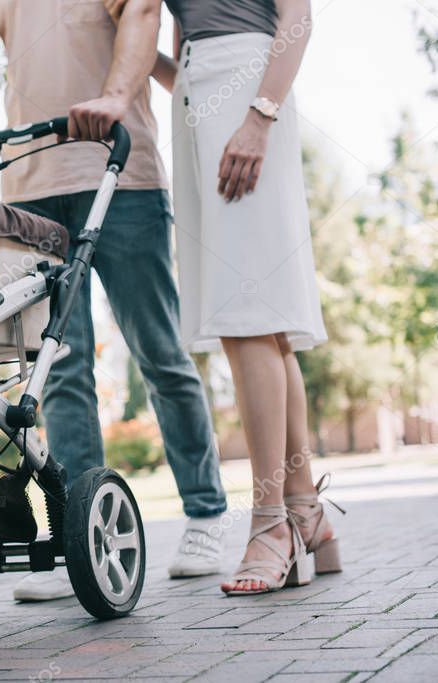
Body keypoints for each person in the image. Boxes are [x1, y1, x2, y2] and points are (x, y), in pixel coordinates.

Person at [0, 0, 229, 601]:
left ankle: (207, 513)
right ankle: (84, 540)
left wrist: (112, 98)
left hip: (121, 174)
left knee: (158, 349)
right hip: (31, 189)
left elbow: (141, 16)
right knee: (61, 366)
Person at [143, 0, 337, 594]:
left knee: (248, 315)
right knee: (264, 323)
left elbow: (297, 19)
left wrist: (260, 115)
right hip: (198, 100)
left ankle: (270, 522)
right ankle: (307, 513)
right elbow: (182, 56)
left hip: (252, 93)